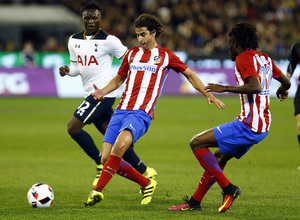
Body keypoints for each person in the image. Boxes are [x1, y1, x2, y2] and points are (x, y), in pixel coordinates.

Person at [84, 13, 225, 207]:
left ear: (153, 33)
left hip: (141, 113)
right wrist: (103, 92)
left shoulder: (166, 56)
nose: (140, 39)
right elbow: (119, 79)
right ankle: (146, 182)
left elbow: (190, 74)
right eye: (137, 35)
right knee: (106, 158)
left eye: (143, 35)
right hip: (121, 111)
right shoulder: (132, 54)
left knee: (119, 147)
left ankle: (97, 190)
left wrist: (206, 93)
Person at [168, 22, 291, 213]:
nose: (228, 48)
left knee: (196, 143)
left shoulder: (243, 58)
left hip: (248, 125)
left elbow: (255, 86)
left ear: (235, 44)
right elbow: (287, 82)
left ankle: (228, 189)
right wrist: (282, 90)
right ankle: (195, 202)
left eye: (229, 44)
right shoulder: (264, 58)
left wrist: (224, 88)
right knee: (219, 158)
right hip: (263, 126)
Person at [58, 2, 157, 188]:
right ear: (82, 18)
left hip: (102, 95)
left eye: (94, 17)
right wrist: (67, 71)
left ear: (100, 18)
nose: (91, 20)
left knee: (73, 127)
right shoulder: (74, 40)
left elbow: (130, 58)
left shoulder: (109, 40)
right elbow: (77, 68)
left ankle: (99, 163)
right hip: (90, 93)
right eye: (87, 17)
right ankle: (145, 171)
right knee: (115, 140)